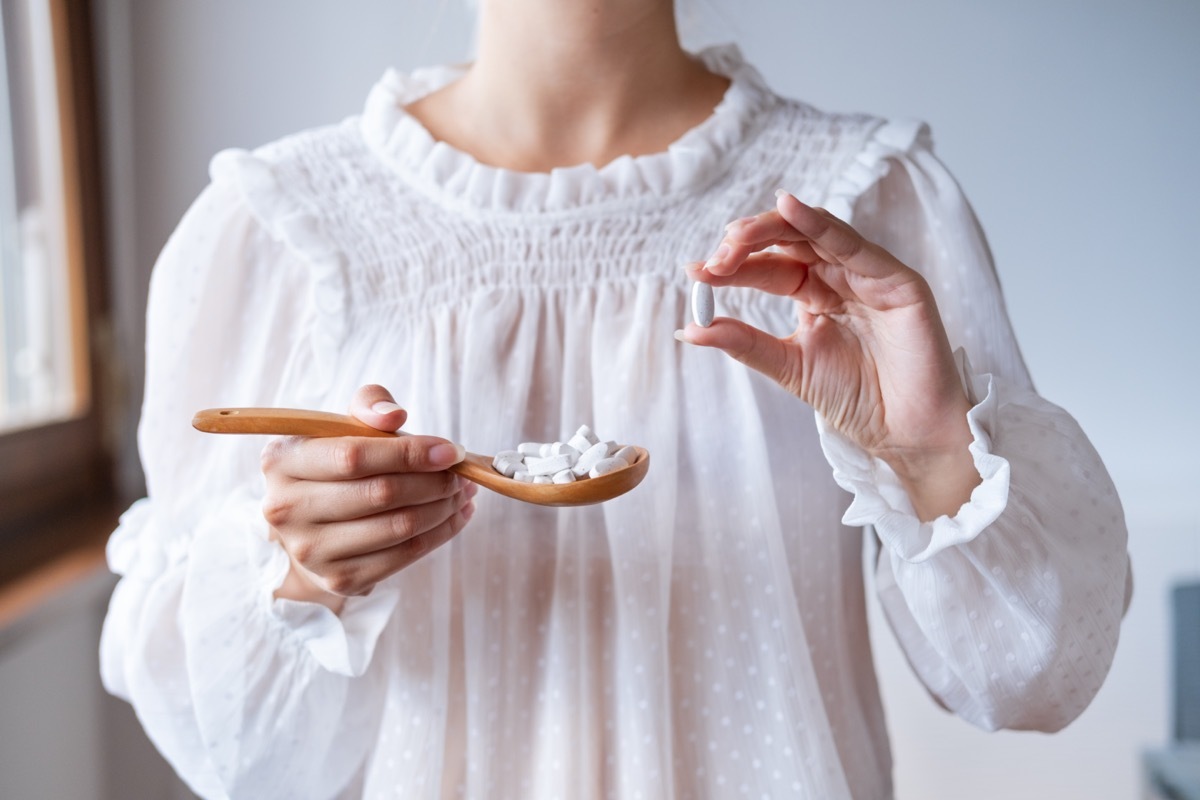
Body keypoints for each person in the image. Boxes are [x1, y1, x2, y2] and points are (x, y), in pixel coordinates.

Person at [100, 0, 1131, 797]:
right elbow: (229, 745)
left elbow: (1030, 678)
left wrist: (931, 459)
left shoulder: (870, 204)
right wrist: (299, 576)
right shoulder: (275, 234)